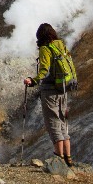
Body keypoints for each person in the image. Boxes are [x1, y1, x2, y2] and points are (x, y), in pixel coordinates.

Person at [23, 22, 74, 167]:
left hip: (50, 91)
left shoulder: (45, 49)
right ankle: (68, 158)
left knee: (53, 123)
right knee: (63, 122)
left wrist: (32, 81)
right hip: (63, 89)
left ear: (40, 37)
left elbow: (44, 70)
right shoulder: (60, 45)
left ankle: (58, 158)